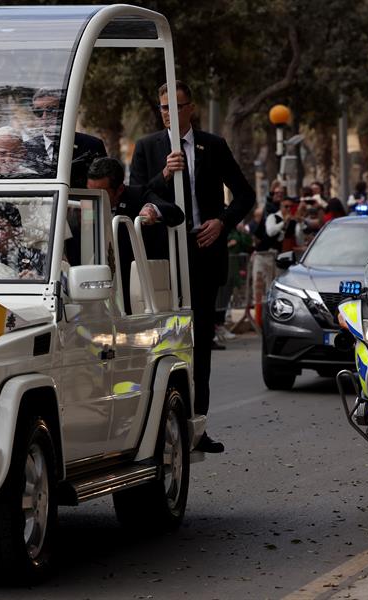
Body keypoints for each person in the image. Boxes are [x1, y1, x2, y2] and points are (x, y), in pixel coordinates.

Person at [129, 80, 255, 453]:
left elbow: (245, 193)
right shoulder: (147, 147)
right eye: (163, 107)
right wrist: (164, 175)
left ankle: (198, 427)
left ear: (191, 108)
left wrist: (222, 222)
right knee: (164, 343)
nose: (169, 113)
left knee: (198, 343)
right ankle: (159, 427)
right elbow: (137, 194)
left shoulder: (212, 146)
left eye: (176, 106)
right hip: (164, 259)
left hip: (203, 253)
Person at [86, 157, 184, 313]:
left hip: (133, 289)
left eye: (101, 193)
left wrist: (151, 209)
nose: (93, 198)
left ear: (119, 190)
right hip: (92, 287)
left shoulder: (137, 195)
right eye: (90, 191)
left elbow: (176, 214)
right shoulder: (82, 202)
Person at [23, 88, 107, 186]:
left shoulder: (91, 146)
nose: (45, 117)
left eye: (51, 110)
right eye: (39, 112)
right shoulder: (27, 149)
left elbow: (102, 186)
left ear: (64, 111)